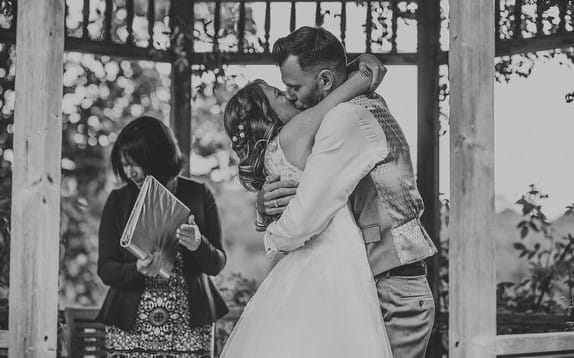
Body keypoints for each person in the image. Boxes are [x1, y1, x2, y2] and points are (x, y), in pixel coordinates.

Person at [256, 26, 438, 358]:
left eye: (293, 86)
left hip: (393, 292)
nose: (290, 94)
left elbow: (305, 218)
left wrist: (271, 235)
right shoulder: (363, 102)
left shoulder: (345, 119)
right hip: (382, 287)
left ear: (325, 81)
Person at [220, 46, 393, 357]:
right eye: (278, 93)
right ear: (267, 113)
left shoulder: (274, 154)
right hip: (333, 265)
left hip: (296, 269)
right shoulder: (297, 131)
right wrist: (360, 71)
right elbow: (339, 95)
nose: (288, 95)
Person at [96, 116, 229, 358]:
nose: (130, 172)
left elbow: (217, 264)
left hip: (190, 325)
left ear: (158, 157)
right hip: (129, 326)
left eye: (136, 163)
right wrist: (137, 269)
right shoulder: (118, 201)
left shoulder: (198, 194)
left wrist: (199, 244)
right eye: (124, 165)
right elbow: (106, 269)